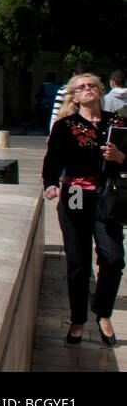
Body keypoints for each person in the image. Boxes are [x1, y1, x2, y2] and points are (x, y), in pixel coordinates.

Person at [42, 73, 127, 346]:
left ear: (102, 91)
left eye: (92, 85)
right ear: (74, 96)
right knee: (78, 262)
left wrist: (120, 157)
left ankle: (103, 313)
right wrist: (51, 184)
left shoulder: (119, 123)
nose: (87, 89)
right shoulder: (65, 126)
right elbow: (52, 160)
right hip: (76, 193)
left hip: (108, 196)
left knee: (113, 259)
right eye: (81, 87)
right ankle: (78, 319)